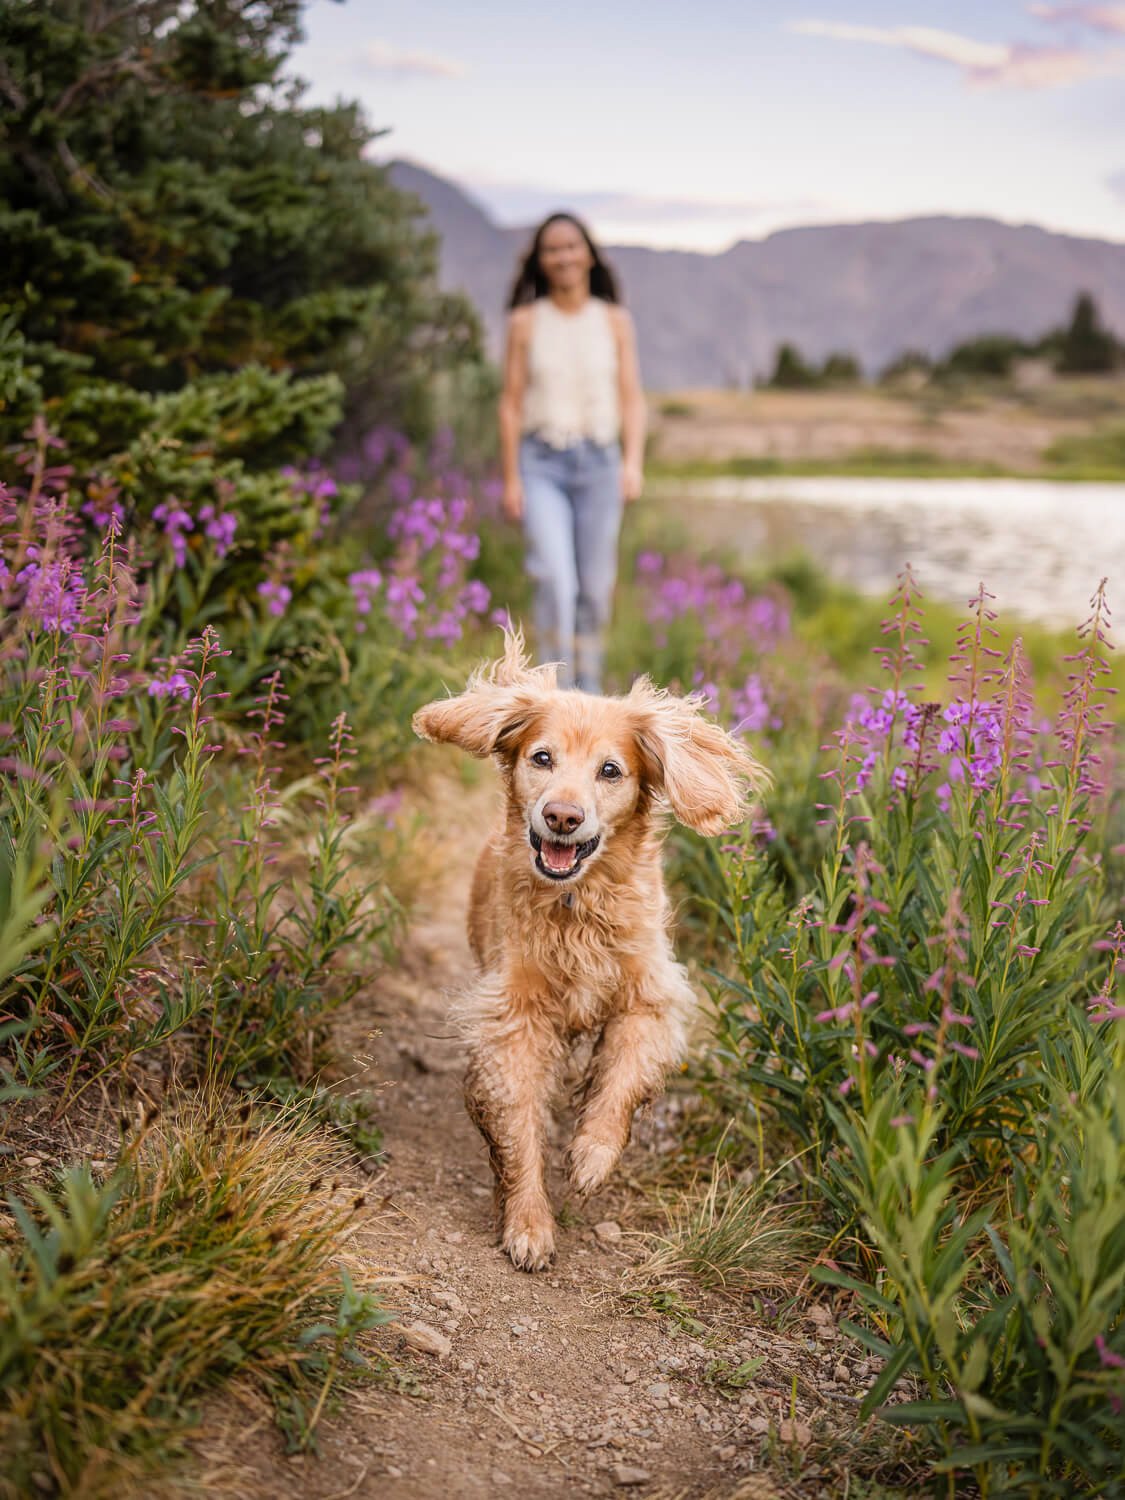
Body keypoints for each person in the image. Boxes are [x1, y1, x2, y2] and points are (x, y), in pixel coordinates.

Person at [498, 213, 645, 693]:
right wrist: (512, 479)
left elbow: (631, 397)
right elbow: (511, 403)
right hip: (542, 464)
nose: (563, 257)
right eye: (552, 249)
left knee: (595, 593)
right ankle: (554, 698)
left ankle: (589, 694)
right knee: (555, 583)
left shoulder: (614, 320)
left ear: (588, 254)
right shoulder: (524, 322)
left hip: (600, 464)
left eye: (571, 246)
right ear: (540, 260)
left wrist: (632, 462)